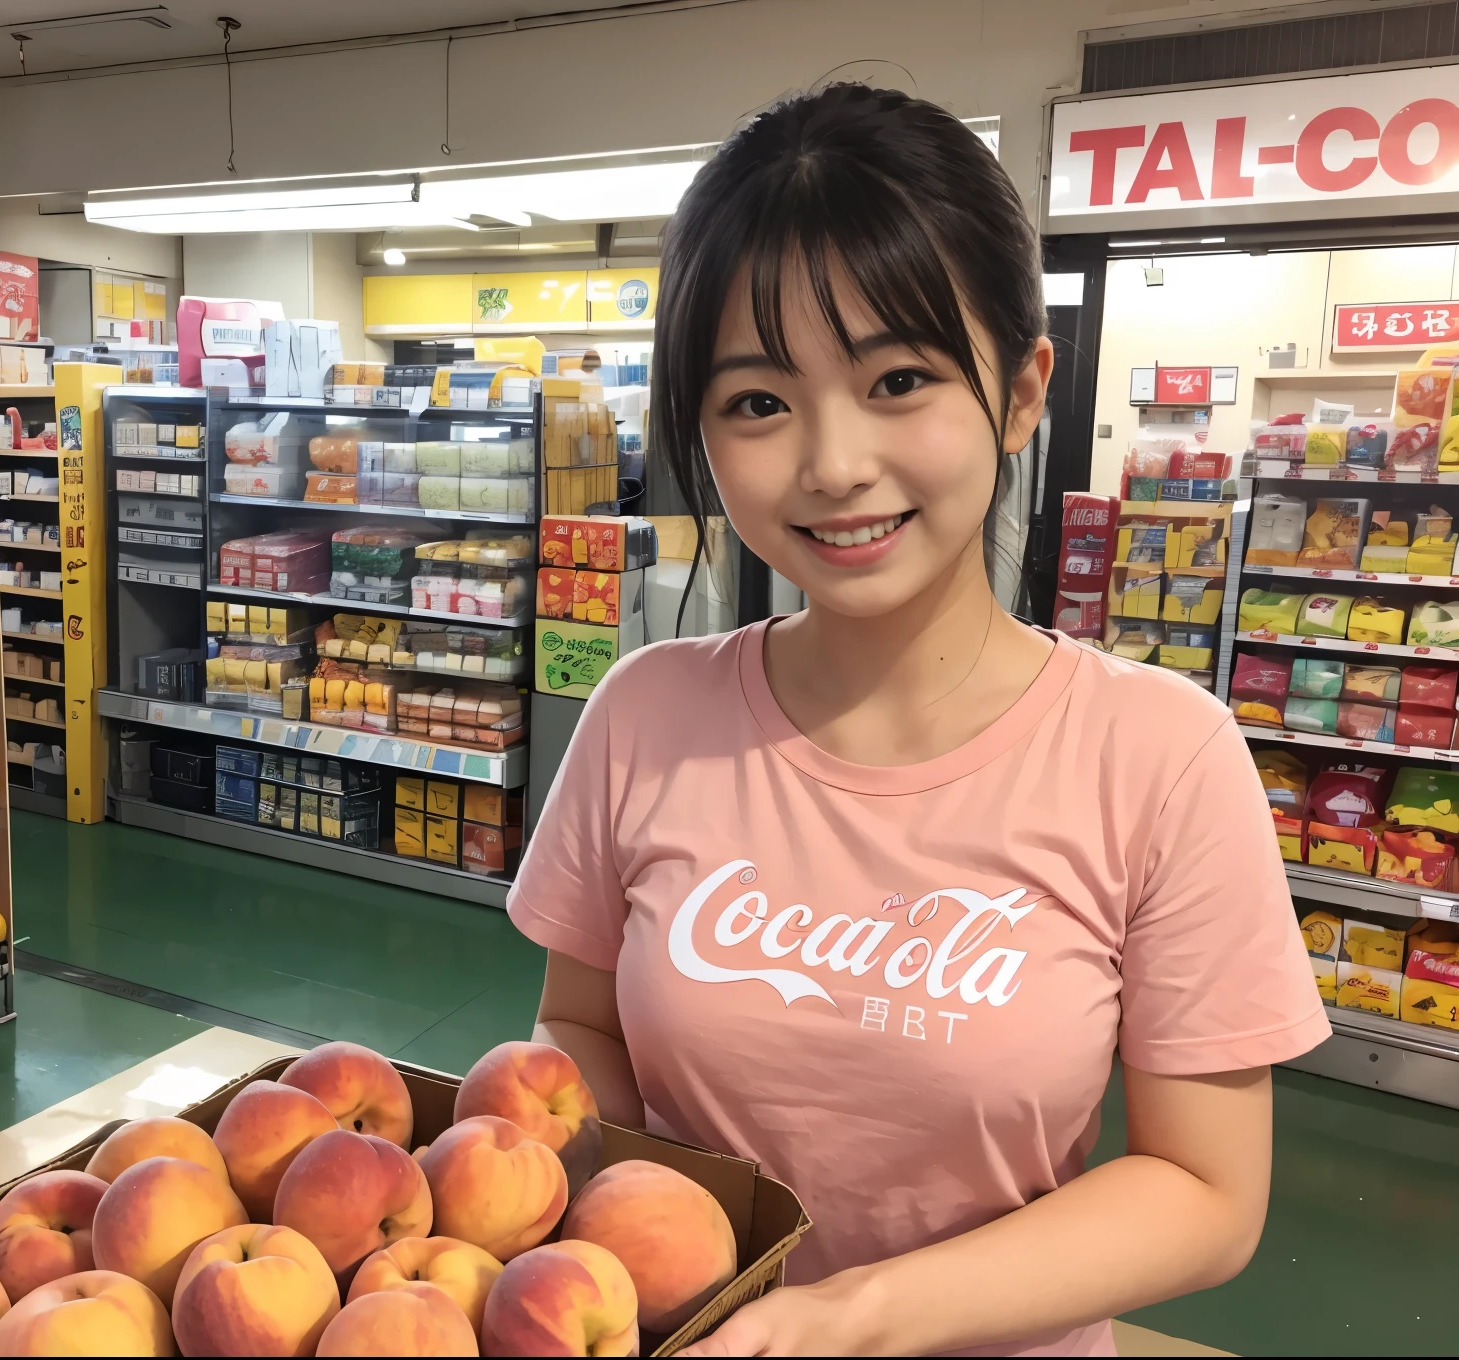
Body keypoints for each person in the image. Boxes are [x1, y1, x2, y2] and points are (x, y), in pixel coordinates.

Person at [509, 84, 1327, 1357]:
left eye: (898, 380)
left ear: (1019, 391)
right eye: (759, 402)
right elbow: (584, 1027)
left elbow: (1207, 1193)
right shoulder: (646, 715)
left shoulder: (1162, 755)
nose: (833, 463)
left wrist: (847, 1315)